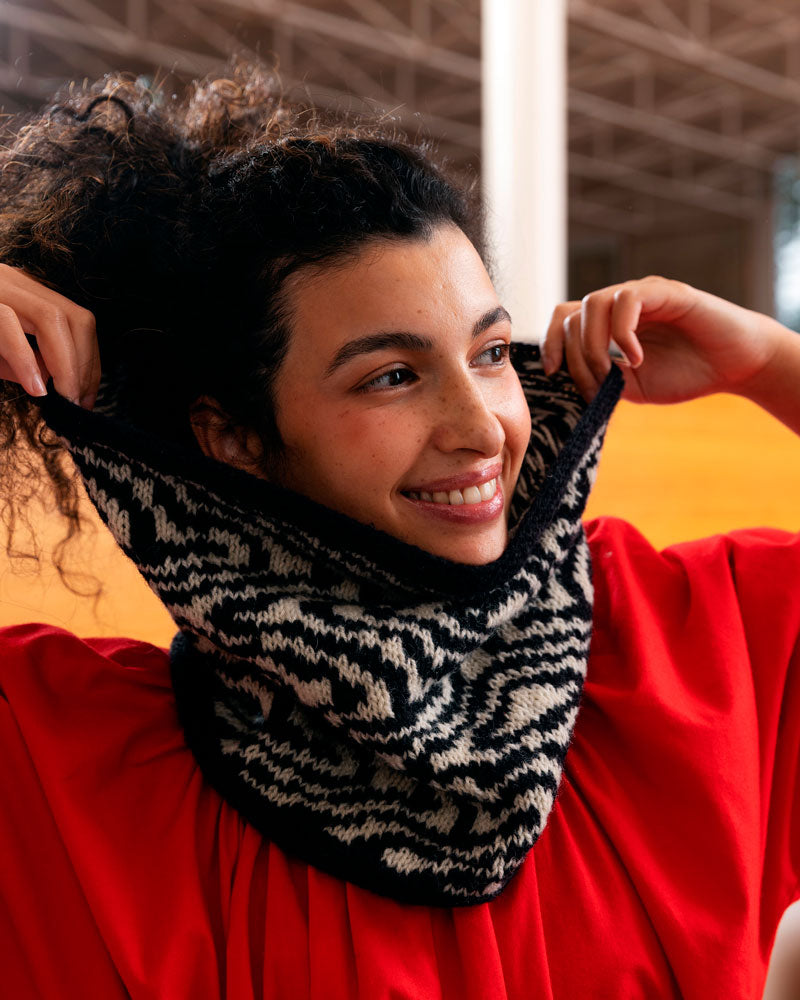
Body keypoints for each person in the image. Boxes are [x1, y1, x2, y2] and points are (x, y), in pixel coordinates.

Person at [0, 65, 798, 1000]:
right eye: (391, 376)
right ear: (236, 439)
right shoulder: (75, 774)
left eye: (491, 354)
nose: (483, 427)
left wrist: (772, 361)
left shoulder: (692, 650)